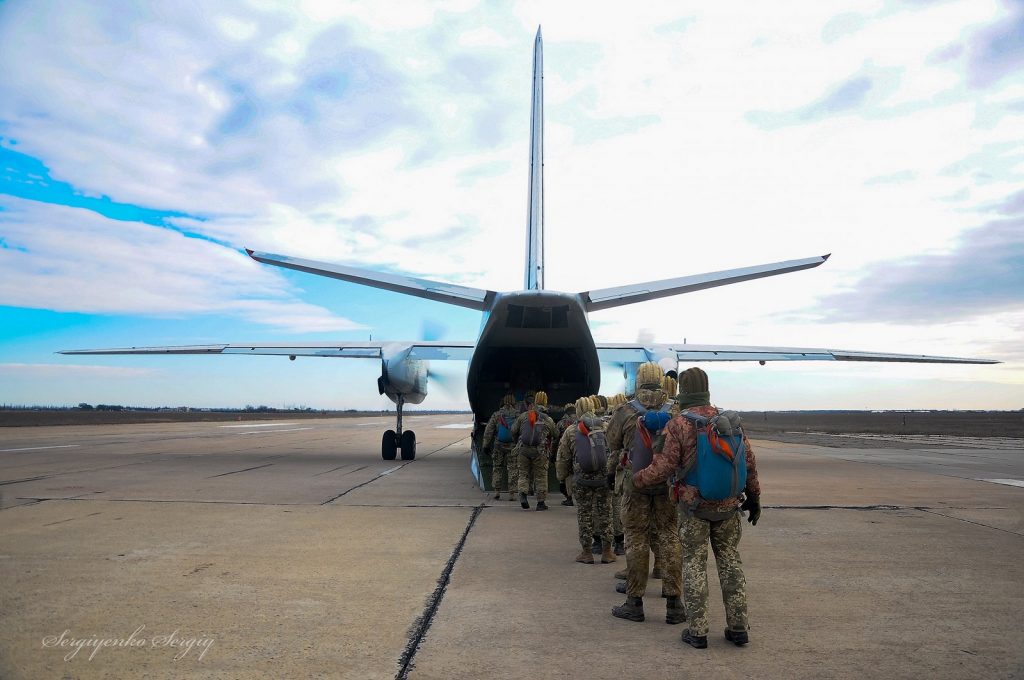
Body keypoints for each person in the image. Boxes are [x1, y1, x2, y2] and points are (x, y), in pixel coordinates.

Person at [633, 366, 762, 649]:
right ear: (706, 388)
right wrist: (754, 498)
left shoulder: (679, 424)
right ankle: (738, 627)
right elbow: (748, 462)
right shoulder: (728, 421)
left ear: (683, 391)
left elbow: (665, 465)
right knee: (730, 564)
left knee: (694, 564)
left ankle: (698, 630)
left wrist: (639, 478)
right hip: (729, 507)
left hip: (694, 508)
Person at [607, 362, 684, 625]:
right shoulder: (675, 411)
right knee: (670, 537)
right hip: (666, 485)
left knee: (636, 540)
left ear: (638, 381)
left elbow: (612, 444)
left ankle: (634, 602)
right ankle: (675, 603)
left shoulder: (624, 411)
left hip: (635, 485)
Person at [557, 397, 616, 564]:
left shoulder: (571, 430)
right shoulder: (605, 426)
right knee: (605, 514)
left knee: (584, 514)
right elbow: (613, 450)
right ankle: (607, 552)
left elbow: (563, 457)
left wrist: (562, 478)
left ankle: (587, 553)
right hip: (603, 479)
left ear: (577, 411)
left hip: (582, 479)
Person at [511, 390, 558, 510]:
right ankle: (540, 503)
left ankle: (523, 495)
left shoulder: (524, 415)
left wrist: (518, 441)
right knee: (541, 476)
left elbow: (513, 430)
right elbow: (556, 434)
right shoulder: (547, 418)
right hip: (540, 452)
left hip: (523, 449)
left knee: (523, 474)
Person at [481, 394, 520, 501]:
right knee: (512, 469)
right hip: (512, 446)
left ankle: (497, 492)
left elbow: (489, 431)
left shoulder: (497, 415)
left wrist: (485, 445)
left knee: (497, 467)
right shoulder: (518, 415)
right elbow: (521, 431)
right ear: (514, 402)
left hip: (498, 445)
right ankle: (512, 493)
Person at [556, 402, 578, 506]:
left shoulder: (561, 423)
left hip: (565, 452)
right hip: (579, 451)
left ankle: (569, 497)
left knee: (567, 475)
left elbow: (556, 439)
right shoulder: (580, 421)